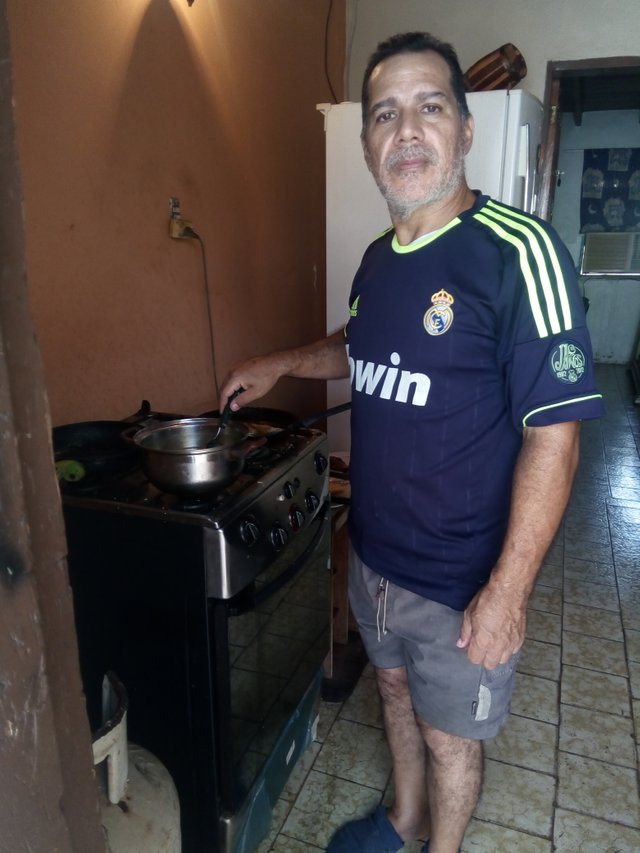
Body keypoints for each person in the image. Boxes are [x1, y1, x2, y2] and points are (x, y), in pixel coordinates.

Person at [219, 31, 604, 853]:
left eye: (430, 107)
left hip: (462, 582)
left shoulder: (517, 254)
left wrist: (509, 592)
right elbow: (354, 346)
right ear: (367, 145)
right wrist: (278, 364)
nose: (407, 130)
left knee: (449, 738)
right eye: (385, 114)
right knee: (391, 693)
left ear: (465, 131)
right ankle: (400, 823)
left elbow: (556, 437)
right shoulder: (376, 263)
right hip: (375, 557)